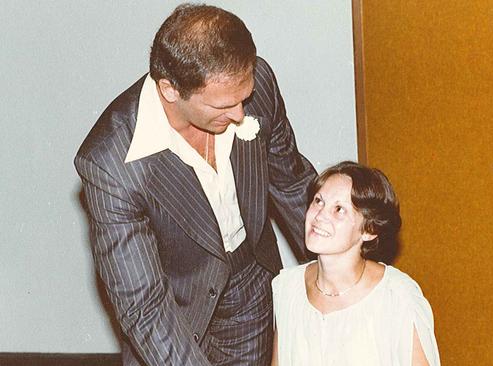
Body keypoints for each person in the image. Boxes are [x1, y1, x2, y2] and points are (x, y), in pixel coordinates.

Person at [74, 4, 316, 365]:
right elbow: (144, 305)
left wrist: (349, 275)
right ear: (170, 90)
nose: (239, 114)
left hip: (249, 286)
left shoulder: (256, 84)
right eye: (223, 105)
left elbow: (294, 184)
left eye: (243, 99)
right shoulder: (111, 163)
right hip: (170, 311)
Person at [271, 161, 441, 366]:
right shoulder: (289, 289)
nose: (320, 215)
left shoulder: (396, 297)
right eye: (318, 201)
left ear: (369, 230)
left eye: (339, 209)